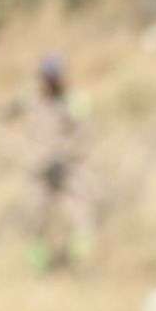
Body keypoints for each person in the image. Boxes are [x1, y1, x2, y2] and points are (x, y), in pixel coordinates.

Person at [26, 55, 93, 272]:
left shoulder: (73, 101)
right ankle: (39, 266)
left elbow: (83, 135)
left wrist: (66, 158)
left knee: (80, 214)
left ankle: (80, 263)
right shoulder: (33, 100)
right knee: (37, 218)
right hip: (40, 170)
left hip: (66, 168)